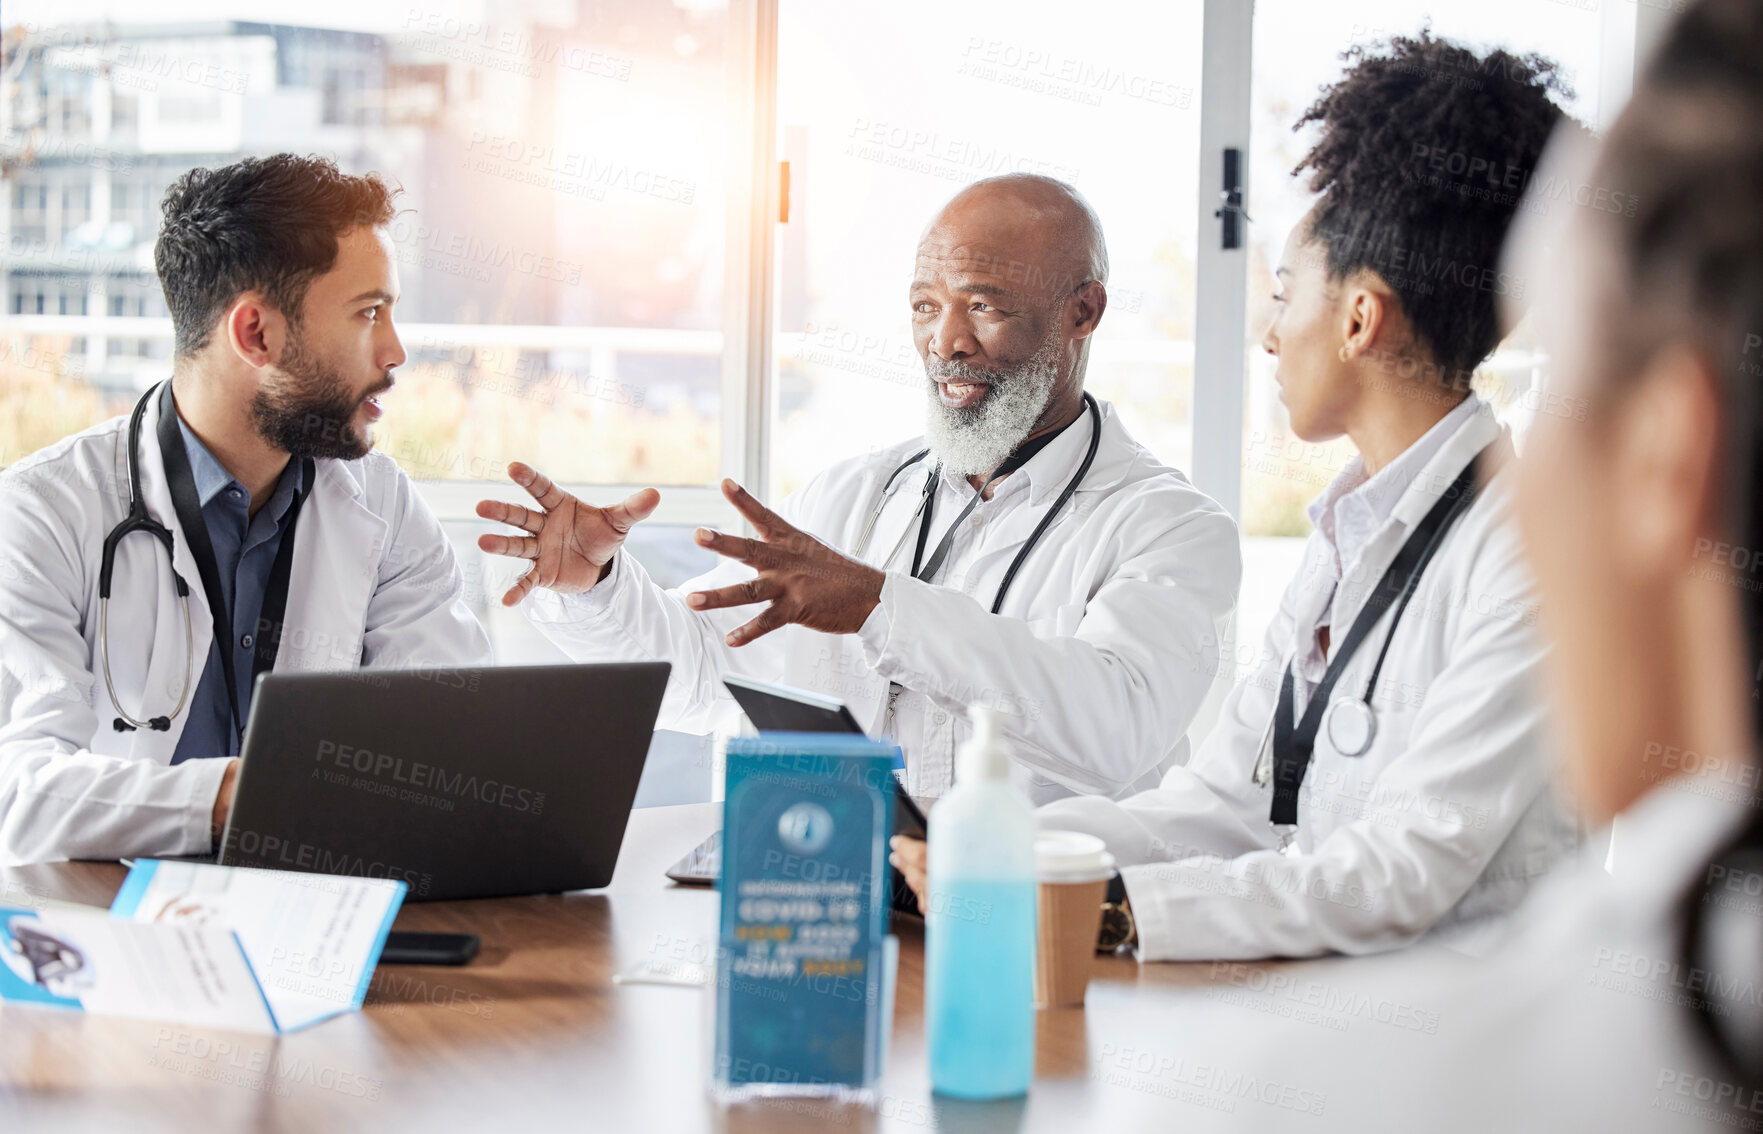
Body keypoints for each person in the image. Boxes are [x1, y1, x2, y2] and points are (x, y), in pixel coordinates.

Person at [894, 33, 1582, 961]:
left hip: (1469, 1052)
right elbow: (1223, 805)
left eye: (1284, 293)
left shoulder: (1530, 551)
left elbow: (1401, 870)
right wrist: (998, 853)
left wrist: (1093, 910)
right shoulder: (1349, 537)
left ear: (1356, 318)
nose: (1265, 332)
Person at [476, 175, 1241, 804]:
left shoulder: (1167, 526)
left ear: (1084, 311)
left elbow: (1118, 730)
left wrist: (880, 607)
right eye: (924, 307)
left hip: (1024, 922)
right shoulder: (854, 493)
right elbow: (706, 674)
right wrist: (595, 586)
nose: (946, 341)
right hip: (823, 889)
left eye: (984, 305)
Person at [0, 155, 490, 867]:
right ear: (255, 333)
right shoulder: (39, 511)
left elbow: (452, 746)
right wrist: (238, 796)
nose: (395, 350)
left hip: (317, 916)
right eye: (368, 313)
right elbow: (18, 795)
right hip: (113, 930)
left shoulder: (379, 505)